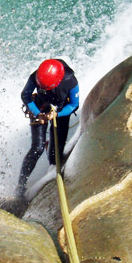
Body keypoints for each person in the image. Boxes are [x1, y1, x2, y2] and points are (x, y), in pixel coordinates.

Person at [16, 58, 79, 199]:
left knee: (56, 153)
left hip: (62, 110)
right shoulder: (36, 76)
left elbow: (74, 104)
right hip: (40, 107)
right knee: (37, 148)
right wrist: (38, 114)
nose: (42, 89)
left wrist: (57, 114)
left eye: (45, 88)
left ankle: (52, 167)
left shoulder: (70, 80)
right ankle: (20, 186)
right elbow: (25, 95)